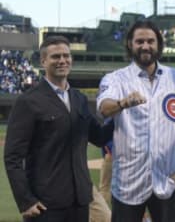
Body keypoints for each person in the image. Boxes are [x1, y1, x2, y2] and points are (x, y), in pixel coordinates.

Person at [3, 35, 114, 222]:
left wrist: (120, 111)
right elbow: (12, 157)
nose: (62, 60)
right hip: (46, 203)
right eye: (55, 57)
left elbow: (99, 137)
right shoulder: (28, 101)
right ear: (43, 61)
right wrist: (25, 201)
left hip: (79, 199)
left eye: (66, 55)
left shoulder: (78, 99)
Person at [97, 20, 175, 222]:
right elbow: (104, 108)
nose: (145, 46)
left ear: (158, 44)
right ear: (130, 45)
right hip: (128, 183)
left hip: (166, 182)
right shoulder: (115, 79)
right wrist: (123, 103)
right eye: (139, 41)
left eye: (150, 41)